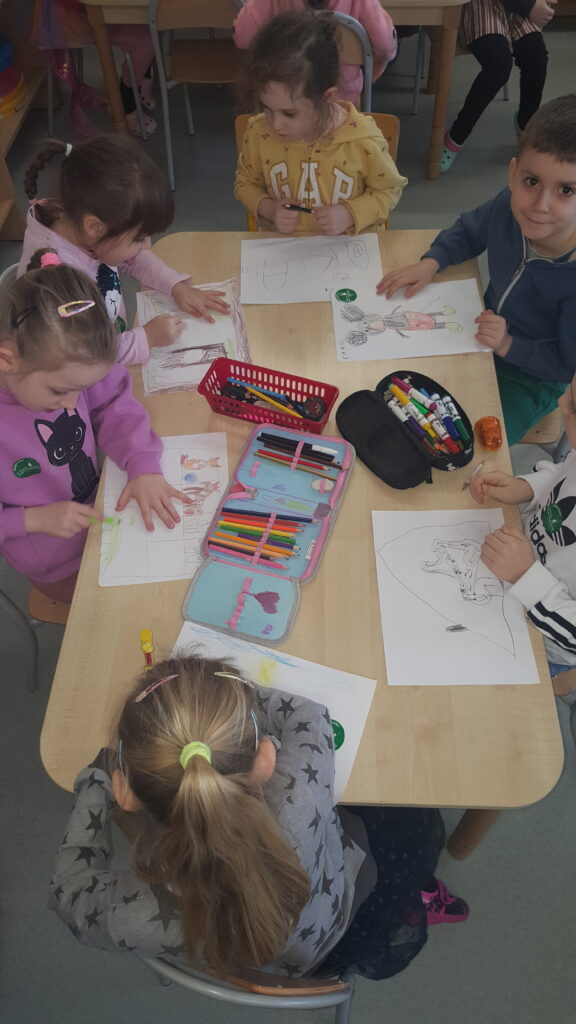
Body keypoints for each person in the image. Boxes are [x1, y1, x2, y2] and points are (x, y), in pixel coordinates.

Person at [49, 655, 469, 978]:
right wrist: (232, 701)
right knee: (402, 815)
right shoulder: (299, 796)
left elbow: (68, 891)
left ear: (125, 793)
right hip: (344, 916)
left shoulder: (133, 913)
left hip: (271, 963)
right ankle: (417, 897)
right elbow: (309, 715)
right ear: (266, 759)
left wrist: (95, 781)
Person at [378, 95, 576, 446]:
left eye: (565, 190)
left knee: (472, 443)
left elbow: (565, 365)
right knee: (401, 396)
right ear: (513, 173)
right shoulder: (507, 207)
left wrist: (509, 345)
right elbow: (469, 231)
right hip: (477, 332)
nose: (540, 205)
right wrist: (432, 261)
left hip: (531, 378)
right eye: (532, 181)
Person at [0, 252, 191, 603]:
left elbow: (115, 405)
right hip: (57, 564)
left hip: (103, 518)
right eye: (59, 391)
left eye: (81, 390)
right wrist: (32, 521)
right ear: (7, 358)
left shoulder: (70, 364)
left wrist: (143, 464)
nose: (73, 405)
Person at [20, 135, 230, 367]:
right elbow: (82, 357)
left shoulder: (82, 222)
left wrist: (175, 286)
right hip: (84, 369)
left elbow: (132, 257)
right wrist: (145, 339)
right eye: (138, 238)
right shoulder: (59, 284)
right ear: (94, 227)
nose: (147, 246)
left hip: (109, 338)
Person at [234, 10, 406, 236]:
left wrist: (350, 214)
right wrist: (269, 209)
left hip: (347, 249)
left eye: (289, 113)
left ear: (327, 98)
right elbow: (245, 184)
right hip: (282, 249)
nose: (275, 124)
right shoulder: (259, 133)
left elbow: (389, 190)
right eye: (266, 108)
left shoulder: (363, 140)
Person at [469, 375, 576, 709]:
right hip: (508, 562)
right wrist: (526, 488)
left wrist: (525, 575)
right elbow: (563, 472)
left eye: (572, 406)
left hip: (541, 638)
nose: (560, 403)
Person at [440, 0, 556, 173]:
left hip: (515, 9)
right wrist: (529, 6)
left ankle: (526, 127)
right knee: (498, 66)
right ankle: (457, 135)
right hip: (479, 6)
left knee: (536, 58)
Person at [233, 0, 398, 106]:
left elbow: (243, 37)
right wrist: (372, 72)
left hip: (285, 96)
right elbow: (385, 45)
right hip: (342, 97)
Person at [31, 0, 158, 136]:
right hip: (72, 18)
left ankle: (141, 78)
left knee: (154, 17)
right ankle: (127, 102)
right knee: (146, 37)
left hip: (90, 10)